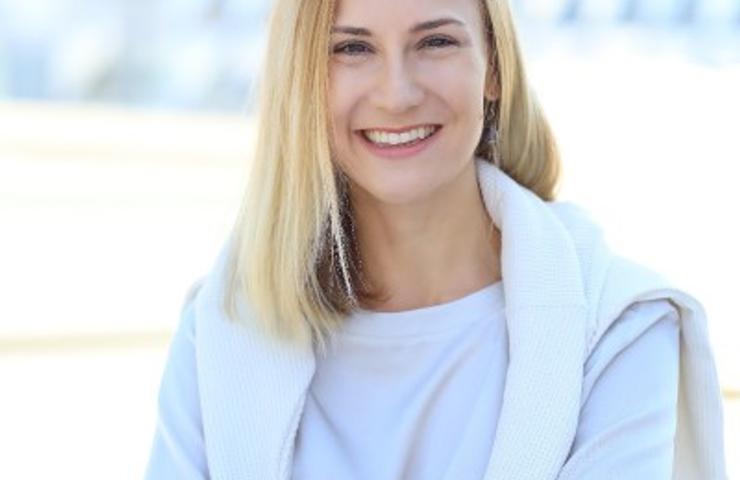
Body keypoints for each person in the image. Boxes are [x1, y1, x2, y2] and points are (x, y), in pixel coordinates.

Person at [144, 0, 727, 478]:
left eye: (436, 42)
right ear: (305, 81)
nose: (396, 94)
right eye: (353, 48)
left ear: (494, 68)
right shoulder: (221, 330)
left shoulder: (620, 328)